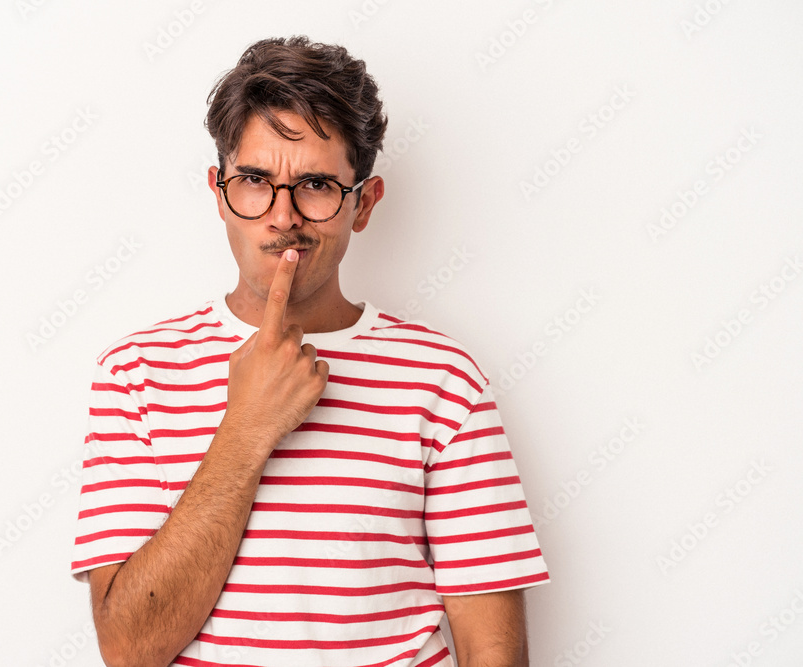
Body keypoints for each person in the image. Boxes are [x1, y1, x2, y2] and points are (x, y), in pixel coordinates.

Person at [70, 35, 550, 667]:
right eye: (255, 181)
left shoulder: (444, 380)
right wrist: (246, 429)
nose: (284, 215)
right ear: (219, 194)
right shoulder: (134, 374)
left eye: (318, 184)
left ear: (364, 204)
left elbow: (493, 651)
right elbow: (130, 649)